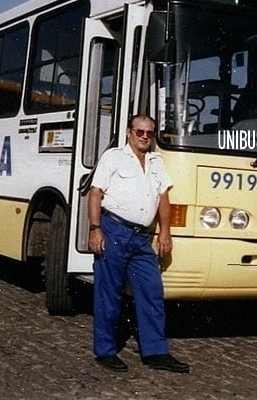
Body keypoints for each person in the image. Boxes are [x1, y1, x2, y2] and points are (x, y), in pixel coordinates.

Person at [87, 114, 190, 374]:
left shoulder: (156, 161)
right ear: (129, 133)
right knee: (108, 294)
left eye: (150, 133)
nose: (145, 136)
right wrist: (95, 229)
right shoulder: (113, 157)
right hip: (114, 231)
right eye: (140, 132)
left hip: (142, 238)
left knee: (152, 292)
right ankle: (106, 351)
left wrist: (165, 232)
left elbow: (163, 197)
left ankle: (155, 352)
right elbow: (95, 192)